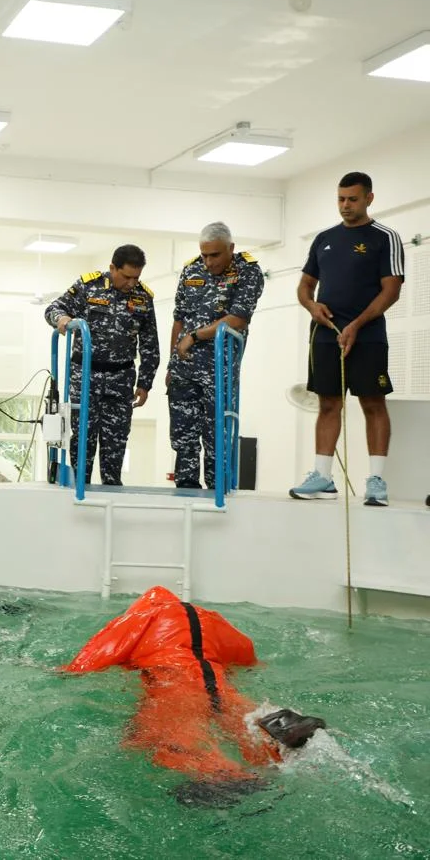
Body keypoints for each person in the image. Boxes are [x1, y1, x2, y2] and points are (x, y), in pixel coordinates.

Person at [64, 585, 327, 808]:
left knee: (168, 737)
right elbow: (246, 654)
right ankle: (279, 729)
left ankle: (221, 774)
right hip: (215, 677)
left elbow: (89, 661)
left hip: (174, 680)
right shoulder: (209, 617)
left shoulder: (141, 617)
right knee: (239, 714)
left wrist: (64, 673)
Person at [290, 171, 405, 506]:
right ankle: (323, 477)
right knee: (328, 404)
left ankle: (377, 482)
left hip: (368, 335)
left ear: (369, 198)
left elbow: (392, 290)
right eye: (341, 199)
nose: (345, 205)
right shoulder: (324, 238)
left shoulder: (386, 237)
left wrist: (357, 323)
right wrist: (311, 306)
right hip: (325, 335)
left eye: (352, 199)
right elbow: (305, 286)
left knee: (372, 403)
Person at [45, 245, 160, 486]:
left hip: (121, 379)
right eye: (126, 276)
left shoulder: (143, 298)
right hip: (86, 375)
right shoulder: (89, 286)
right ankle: (78, 491)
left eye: (136, 277)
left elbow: (150, 345)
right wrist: (63, 319)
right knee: (82, 440)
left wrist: (145, 383)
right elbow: (53, 309)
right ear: (112, 268)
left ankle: (112, 493)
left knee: (116, 443)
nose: (131, 283)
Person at [167, 222, 265, 489]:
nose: (208, 262)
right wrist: (171, 364)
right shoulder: (191, 269)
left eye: (215, 255)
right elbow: (179, 320)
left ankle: (218, 493)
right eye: (204, 255)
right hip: (184, 369)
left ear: (231, 249)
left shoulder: (248, 271)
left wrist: (195, 336)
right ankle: (186, 490)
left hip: (218, 369)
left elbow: (238, 318)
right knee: (183, 437)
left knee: (217, 439)